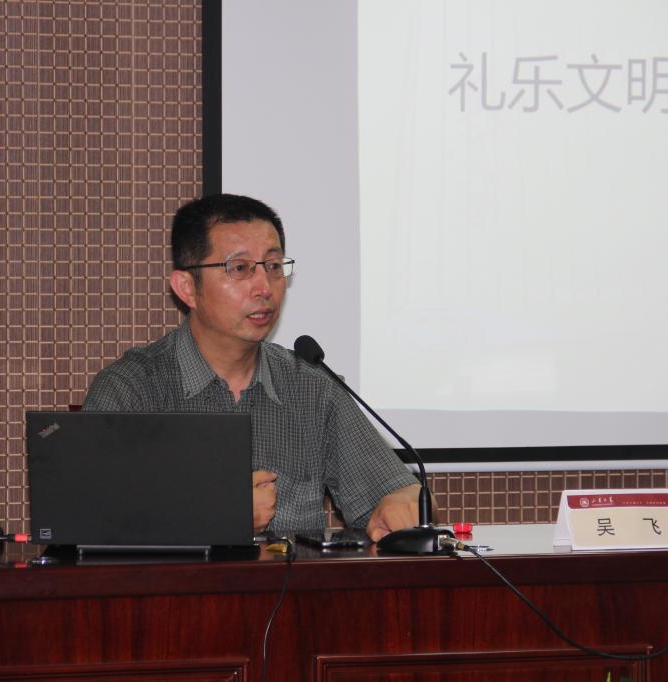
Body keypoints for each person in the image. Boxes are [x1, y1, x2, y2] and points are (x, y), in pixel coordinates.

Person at [83, 193, 421, 541]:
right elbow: (82, 518)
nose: (264, 288)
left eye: (273, 266)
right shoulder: (132, 388)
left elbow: (399, 493)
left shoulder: (312, 387)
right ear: (187, 288)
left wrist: (406, 503)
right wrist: (213, 513)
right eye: (240, 268)